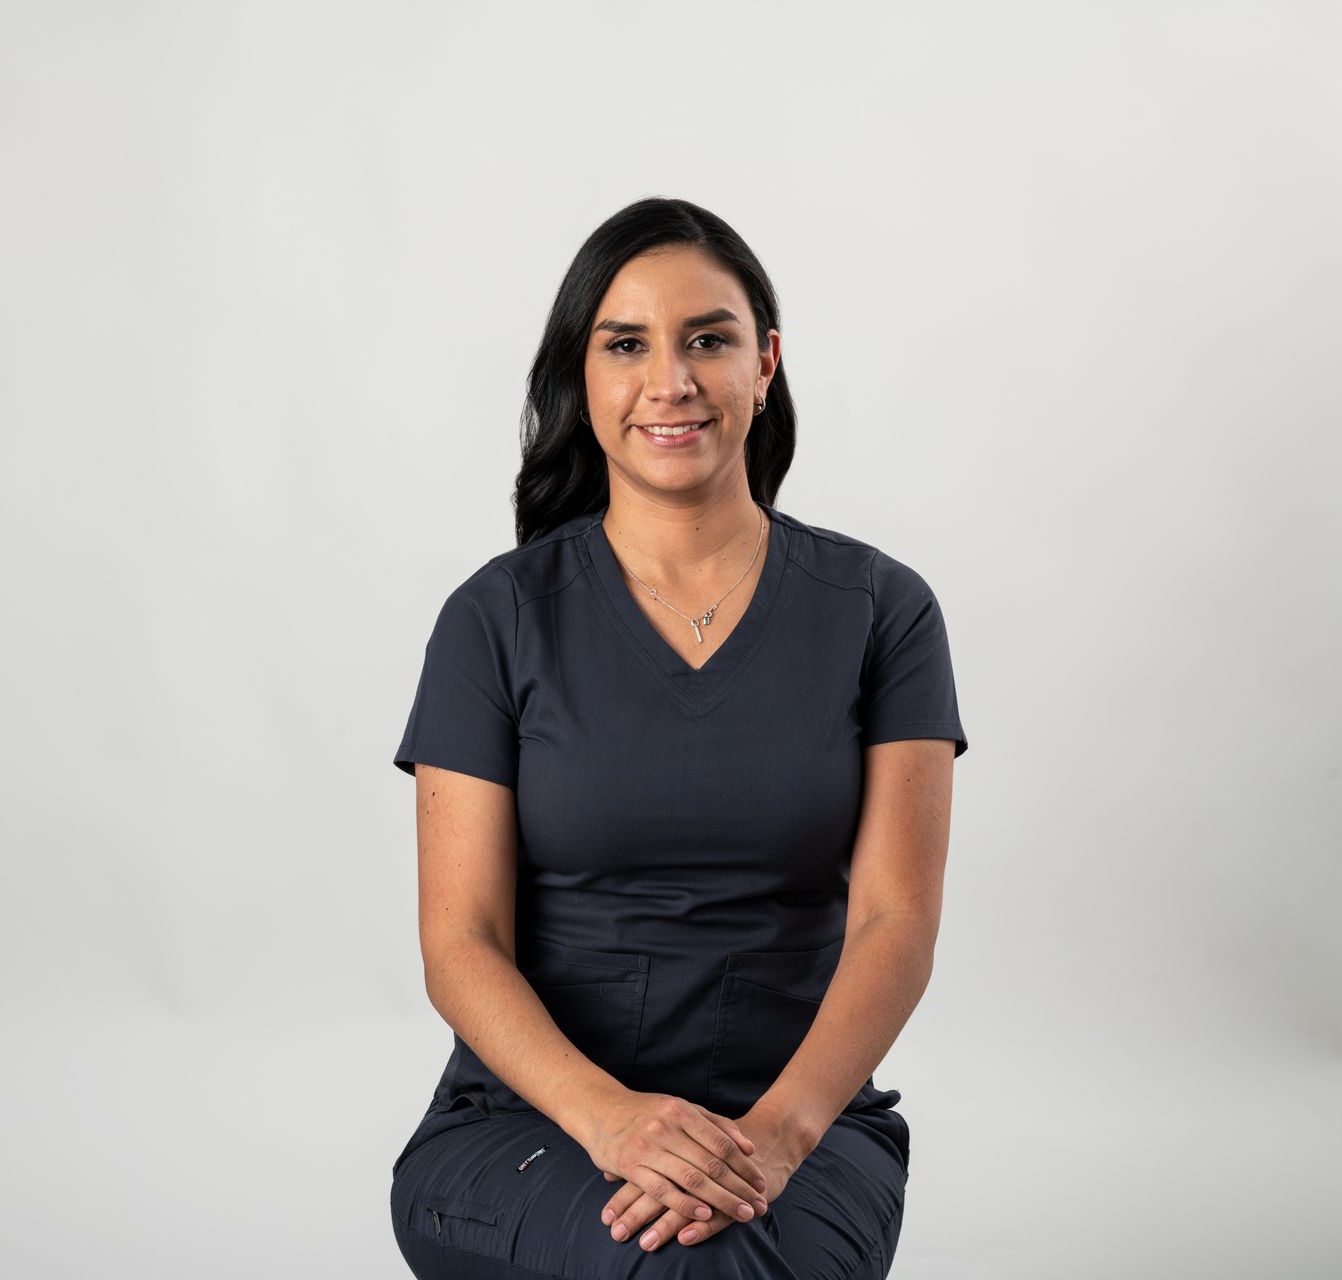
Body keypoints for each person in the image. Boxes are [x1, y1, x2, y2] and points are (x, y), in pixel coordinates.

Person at [389, 196, 967, 1279]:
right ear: (585, 377)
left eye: (709, 338)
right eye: (626, 344)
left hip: (803, 1126)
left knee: (713, 1257)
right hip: (528, 1127)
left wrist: (777, 1136)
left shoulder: (883, 611)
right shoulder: (496, 619)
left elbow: (897, 918)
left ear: (767, 364)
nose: (672, 379)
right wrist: (614, 1123)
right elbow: (461, 941)